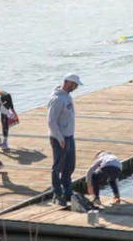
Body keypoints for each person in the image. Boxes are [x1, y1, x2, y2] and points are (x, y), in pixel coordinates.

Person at [48, 73, 82, 205]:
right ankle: (57, 193)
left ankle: (67, 190)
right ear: (68, 82)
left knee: (69, 166)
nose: (76, 87)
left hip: (69, 136)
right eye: (75, 85)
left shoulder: (67, 96)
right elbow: (51, 121)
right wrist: (59, 138)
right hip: (59, 139)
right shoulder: (57, 99)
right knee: (58, 166)